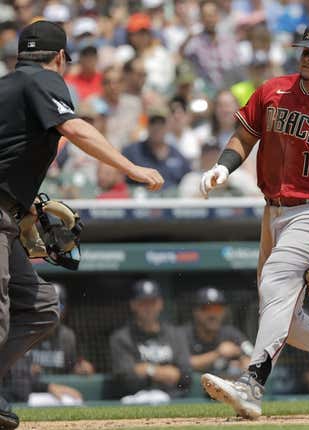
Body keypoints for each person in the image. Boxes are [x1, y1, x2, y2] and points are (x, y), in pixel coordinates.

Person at [199, 20, 309, 419]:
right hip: (272, 209)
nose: (307, 57)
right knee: (282, 318)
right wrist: (224, 167)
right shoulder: (274, 90)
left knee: (276, 282)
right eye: (305, 50)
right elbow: (244, 135)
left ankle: (252, 384)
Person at [0, 20, 163, 430]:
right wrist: (131, 168)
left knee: (40, 306)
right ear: (59, 58)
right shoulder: (44, 80)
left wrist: (24, 209)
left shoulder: (7, 87)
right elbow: (74, 128)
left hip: (6, 213)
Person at [109, 280, 192, 400]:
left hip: (173, 398)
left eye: (152, 302)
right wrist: (164, 372)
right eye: (143, 302)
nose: (148, 308)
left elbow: (185, 376)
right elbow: (125, 376)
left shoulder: (176, 334)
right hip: (135, 399)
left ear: (160, 304)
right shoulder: (121, 337)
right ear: (133, 305)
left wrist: (147, 369)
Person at [182, 287, 253, 379]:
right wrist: (217, 353)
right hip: (190, 390)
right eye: (206, 308)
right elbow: (184, 364)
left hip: (224, 389)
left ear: (224, 311)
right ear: (196, 311)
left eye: (217, 309)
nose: (212, 314)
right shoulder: (184, 334)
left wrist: (241, 357)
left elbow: (255, 359)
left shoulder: (231, 333)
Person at [30, 283, 95, 376]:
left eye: (59, 307)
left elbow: (72, 367)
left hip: (60, 388)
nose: (53, 312)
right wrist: (26, 369)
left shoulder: (68, 336)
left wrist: (81, 368)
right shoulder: (27, 332)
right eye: (47, 306)